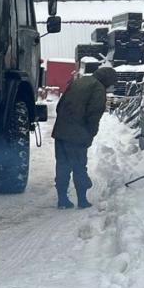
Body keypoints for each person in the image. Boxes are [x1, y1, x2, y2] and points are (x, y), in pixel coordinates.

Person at [52, 66, 117, 209]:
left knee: (62, 165)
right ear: (107, 80)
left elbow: (59, 105)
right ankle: (82, 200)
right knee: (79, 167)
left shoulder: (79, 81)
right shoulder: (98, 88)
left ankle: (62, 200)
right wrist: (89, 134)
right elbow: (94, 114)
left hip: (61, 131)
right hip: (77, 134)